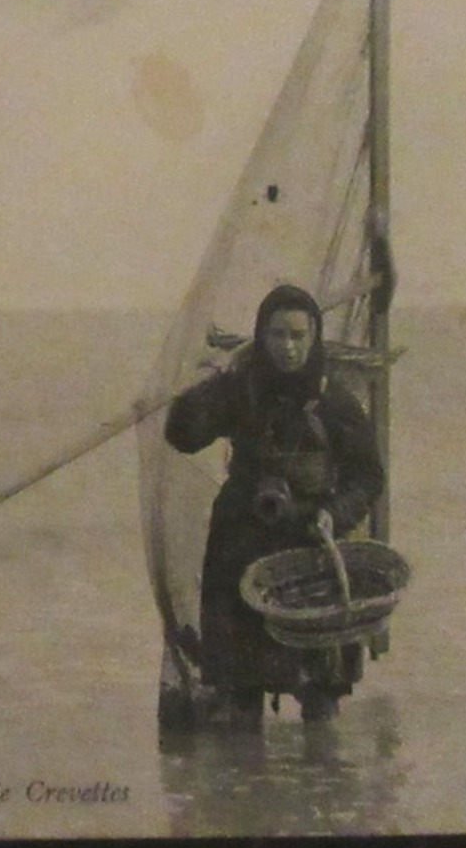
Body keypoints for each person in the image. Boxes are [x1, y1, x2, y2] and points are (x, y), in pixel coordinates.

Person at [164, 284, 384, 727]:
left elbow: (368, 477)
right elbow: (182, 436)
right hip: (241, 548)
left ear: (315, 337)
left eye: (299, 336)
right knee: (240, 693)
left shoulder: (333, 401)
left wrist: (333, 514)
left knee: (320, 698)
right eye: (278, 335)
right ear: (261, 337)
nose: (289, 347)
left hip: (311, 547)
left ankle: (316, 789)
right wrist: (205, 388)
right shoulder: (240, 392)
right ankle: (248, 787)